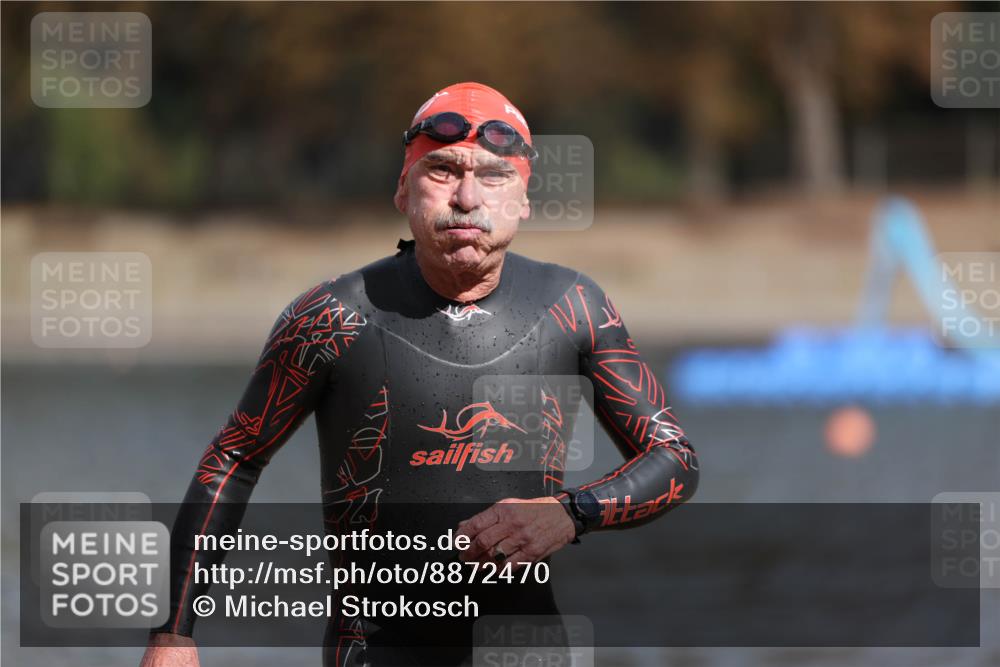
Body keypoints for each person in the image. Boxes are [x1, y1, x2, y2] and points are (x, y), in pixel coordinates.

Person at [141, 81, 699, 667]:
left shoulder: (573, 305)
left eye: (493, 175)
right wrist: (173, 634)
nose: (466, 197)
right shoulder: (332, 316)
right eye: (442, 171)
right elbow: (235, 458)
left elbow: (674, 458)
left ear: (524, 200)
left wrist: (569, 513)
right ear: (403, 189)